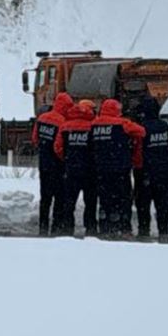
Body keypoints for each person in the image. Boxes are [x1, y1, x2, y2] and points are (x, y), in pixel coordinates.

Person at [91, 98, 146, 238]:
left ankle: (104, 225)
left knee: (104, 198)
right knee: (123, 198)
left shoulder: (94, 124)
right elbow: (141, 132)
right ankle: (123, 226)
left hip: (100, 168)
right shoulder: (122, 124)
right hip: (120, 168)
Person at [31, 93, 74, 236]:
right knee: (59, 197)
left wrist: (43, 151)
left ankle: (42, 227)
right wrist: (64, 159)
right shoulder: (62, 122)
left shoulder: (42, 118)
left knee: (45, 197)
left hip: (44, 164)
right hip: (57, 166)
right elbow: (59, 147)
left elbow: (35, 138)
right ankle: (56, 228)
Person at [54, 99, 99, 236]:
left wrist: (68, 159)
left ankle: (68, 228)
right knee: (90, 202)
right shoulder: (93, 126)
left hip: (71, 170)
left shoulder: (65, 126)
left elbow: (58, 148)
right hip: (90, 171)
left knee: (69, 202)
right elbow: (97, 148)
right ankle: (91, 228)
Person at [134, 97, 168, 241]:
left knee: (143, 204)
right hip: (163, 172)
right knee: (162, 204)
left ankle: (144, 230)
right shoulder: (165, 127)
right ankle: (163, 231)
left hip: (145, 172)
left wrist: (138, 168)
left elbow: (138, 151)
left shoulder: (141, 129)